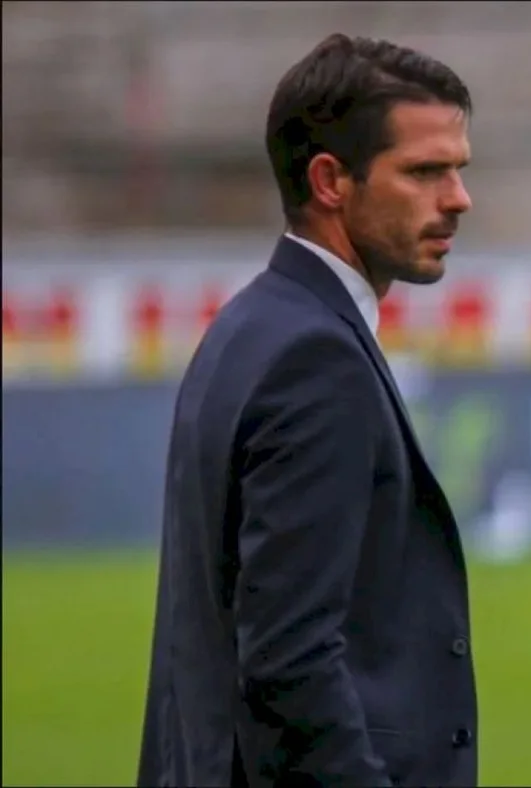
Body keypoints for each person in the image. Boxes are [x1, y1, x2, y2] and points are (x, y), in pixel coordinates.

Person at [138, 34, 479, 788]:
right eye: (425, 171)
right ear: (331, 180)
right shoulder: (314, 359)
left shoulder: (249, 326)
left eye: (458, 170)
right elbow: (289, 664)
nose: (458, 198)